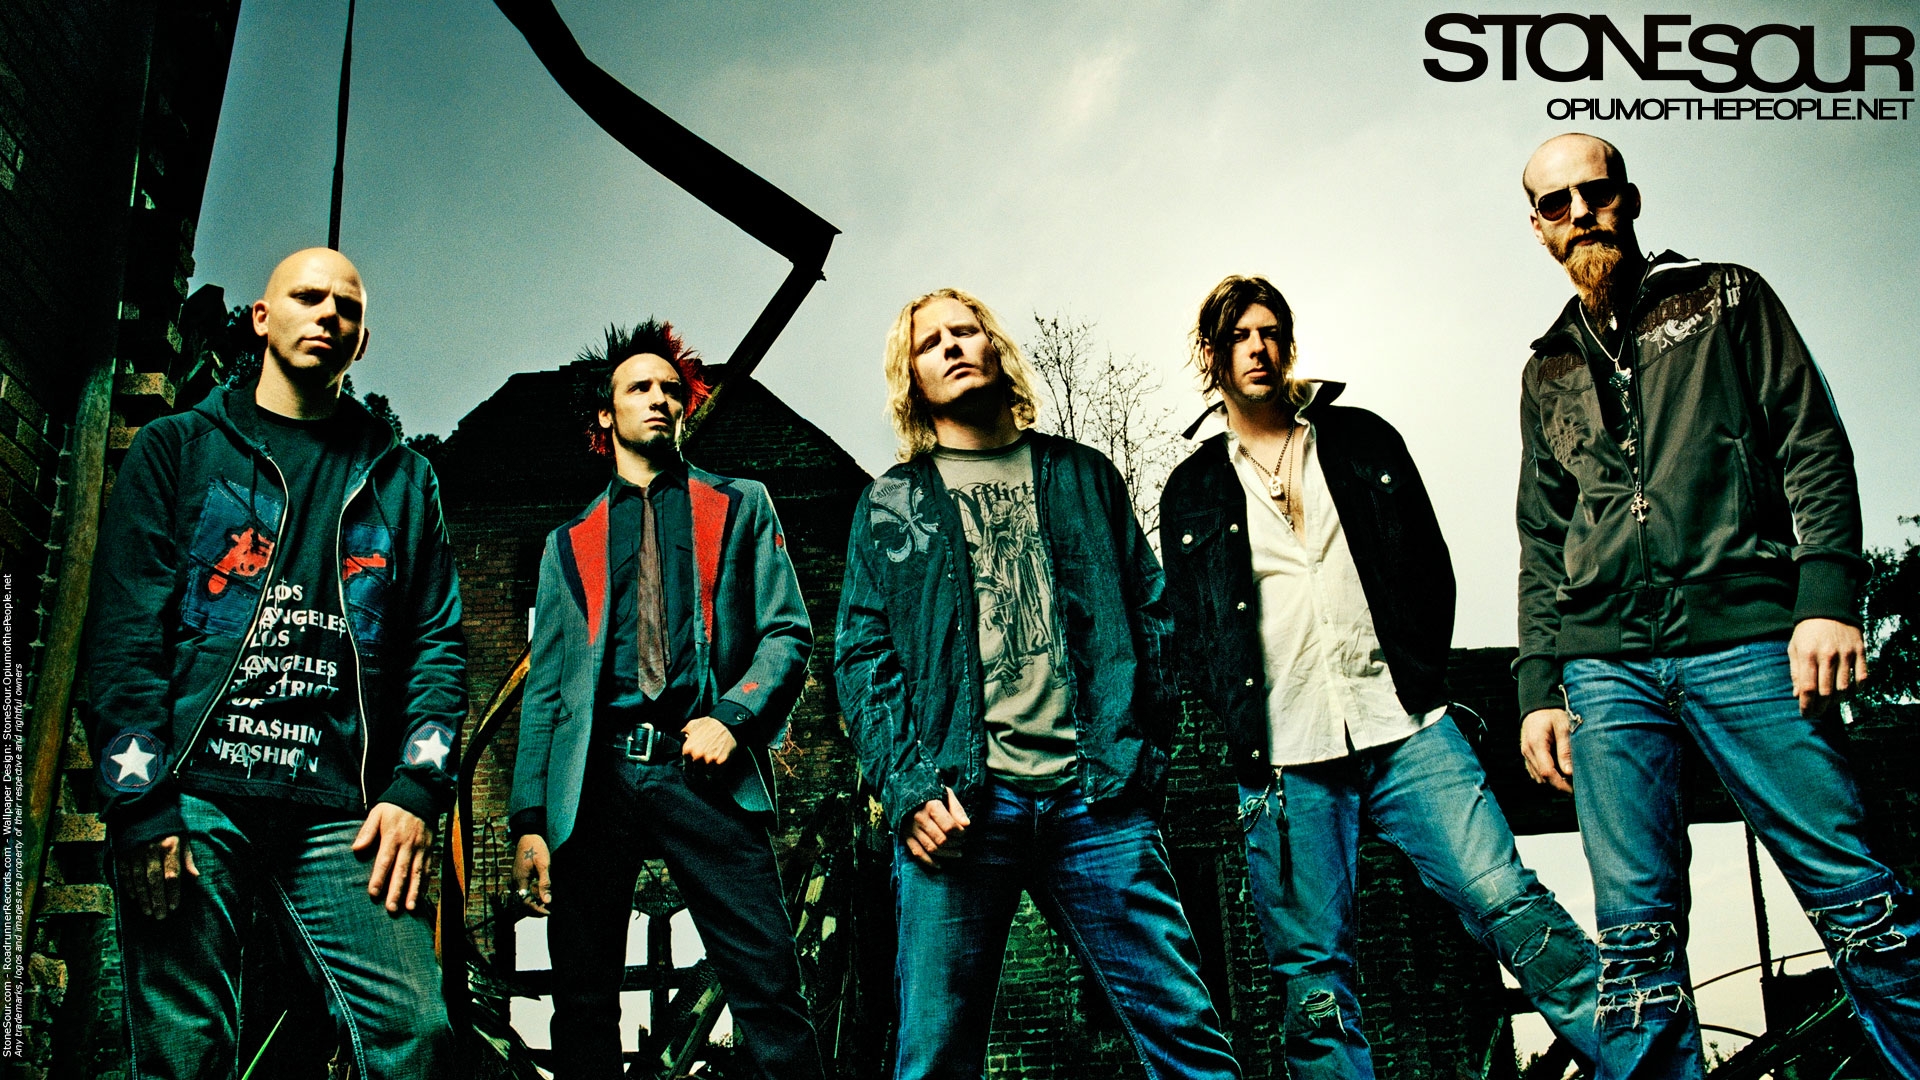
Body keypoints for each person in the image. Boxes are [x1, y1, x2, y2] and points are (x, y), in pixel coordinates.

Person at [1514, 133, 1920, 1079]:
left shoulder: (1726, 297)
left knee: (1861, 905)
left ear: (1628, 198)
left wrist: (1827, 597)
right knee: (1636, 953)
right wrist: (1539, 685)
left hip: (1747, 638)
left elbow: (1811, 440)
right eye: (1556, 203)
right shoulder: (1545, 369)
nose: (1581, 214)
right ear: (1537, 227)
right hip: (1604, 669)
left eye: (1595, 192)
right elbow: (1542, 536)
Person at [1159, 275, 1600, 1078]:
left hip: (1407, 730)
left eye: (1270, 332)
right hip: (1287, 759)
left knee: (1510, 903)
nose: (1258, 348)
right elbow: (1192, 634)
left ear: (1288, 343)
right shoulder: (1192, 489)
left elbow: (1429, 565)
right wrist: (1240, 725)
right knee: (1314, 985)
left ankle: (1647, 1063)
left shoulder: (1360, 438)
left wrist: (1422, 674)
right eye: (1239, 336)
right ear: (1213, 355)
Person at [835, 288, 1241, 1080]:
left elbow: (1155, 619)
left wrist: (1139, 759)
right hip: (957, 807)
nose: (953, 347)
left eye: (966, 331)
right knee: (932, 1062)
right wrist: (908, 788)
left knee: (1189, 1041)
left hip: (1097, 803)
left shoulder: (1084, 477)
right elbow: (861, 656)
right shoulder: (891, 502)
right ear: (912, 378)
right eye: (930, 343)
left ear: (994, 347)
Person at [85, 247, 464, 1078]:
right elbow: (123, 636)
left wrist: (417, 789)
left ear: (363, 341)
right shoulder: (178, 449)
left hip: (338, 807)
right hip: (194, 792)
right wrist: (137, 801)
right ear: (262, 317)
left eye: (347, 307)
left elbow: (436, 647)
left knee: (417, 1031)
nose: (327, 314)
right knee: (185, 1052)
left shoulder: (405, 481)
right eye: (307, 296)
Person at [508, 321, 824, 1080]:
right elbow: (546, 689)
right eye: (639, 387)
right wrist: (529, 821)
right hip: (595, 780)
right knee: (582, 1002)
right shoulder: (566, 543)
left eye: (671, 389)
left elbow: (787, 632)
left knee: (769, 988)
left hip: (705, 769)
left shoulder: (742, 505)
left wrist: (734, 717)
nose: (659, 398)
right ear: (606, 413)